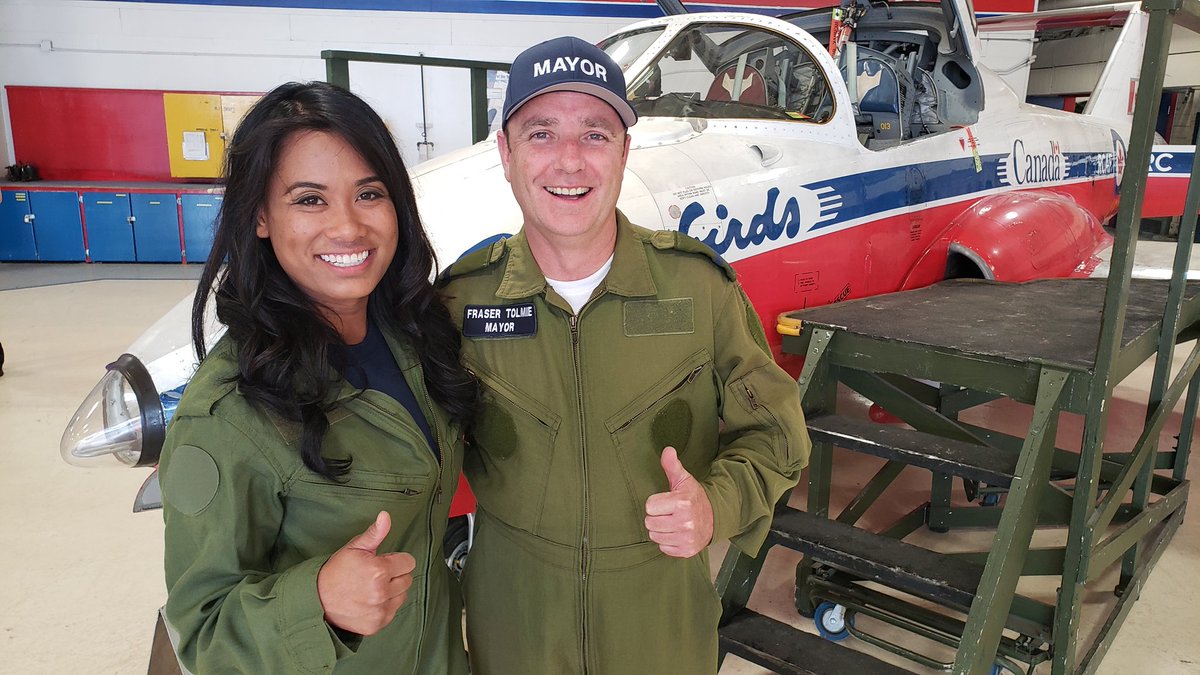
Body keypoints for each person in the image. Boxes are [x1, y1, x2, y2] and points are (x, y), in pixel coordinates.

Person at [439, 37, 812, 674]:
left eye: (595, 134)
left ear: (623, 152)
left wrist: (714, 506)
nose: (569, 160)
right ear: (505, 153)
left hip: (660, 613)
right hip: (516, 615)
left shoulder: (698, 289)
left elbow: (777, 433)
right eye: (540, 134)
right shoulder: (459, 301)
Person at [159, 81, 475, 674]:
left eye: (369, 193)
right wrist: (318, 603)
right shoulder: (227, 414)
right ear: (259, 215)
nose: (348, 227)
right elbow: (202, 637)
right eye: (309, 199)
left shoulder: (416, 337)